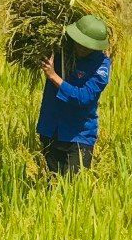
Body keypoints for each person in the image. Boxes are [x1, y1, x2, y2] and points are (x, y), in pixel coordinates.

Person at [37, 15, 112, 176]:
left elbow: (84, 97)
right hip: (51, 129)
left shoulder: (102, 65)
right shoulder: (60, 50)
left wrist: (53, 76)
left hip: (79, 135)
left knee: (74, 190)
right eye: (80, 43)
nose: (82, 48)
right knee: (51, 186)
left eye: (88, 46)